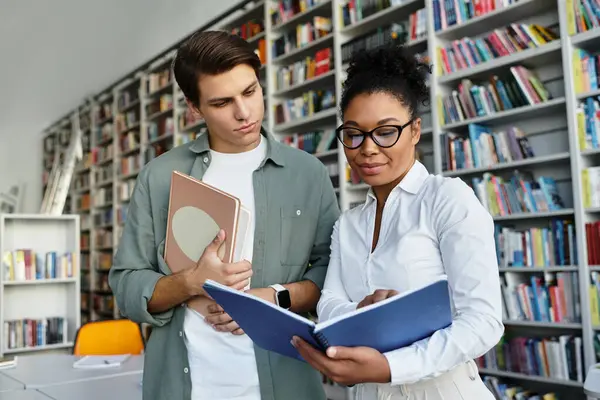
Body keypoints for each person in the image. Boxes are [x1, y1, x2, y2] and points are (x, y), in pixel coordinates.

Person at [108, 30, 340, 400]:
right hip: (183, 386)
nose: (243, 113)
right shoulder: (160, 176)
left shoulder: (308, 173)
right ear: (194, 107)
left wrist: (275, 298)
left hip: (286, 384)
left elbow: (333, 274)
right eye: (221, 103)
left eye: (250, 92)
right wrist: (190, 281)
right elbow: (126, 286)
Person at [291, 44, 504, 399]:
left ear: (415, 131)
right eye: (354, 133)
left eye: (386, 131)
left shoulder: (447, 200)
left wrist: (391, 367)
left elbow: (483, 322)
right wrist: (361, 311)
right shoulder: (349, 224)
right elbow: (328, 304)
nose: (367, 148)